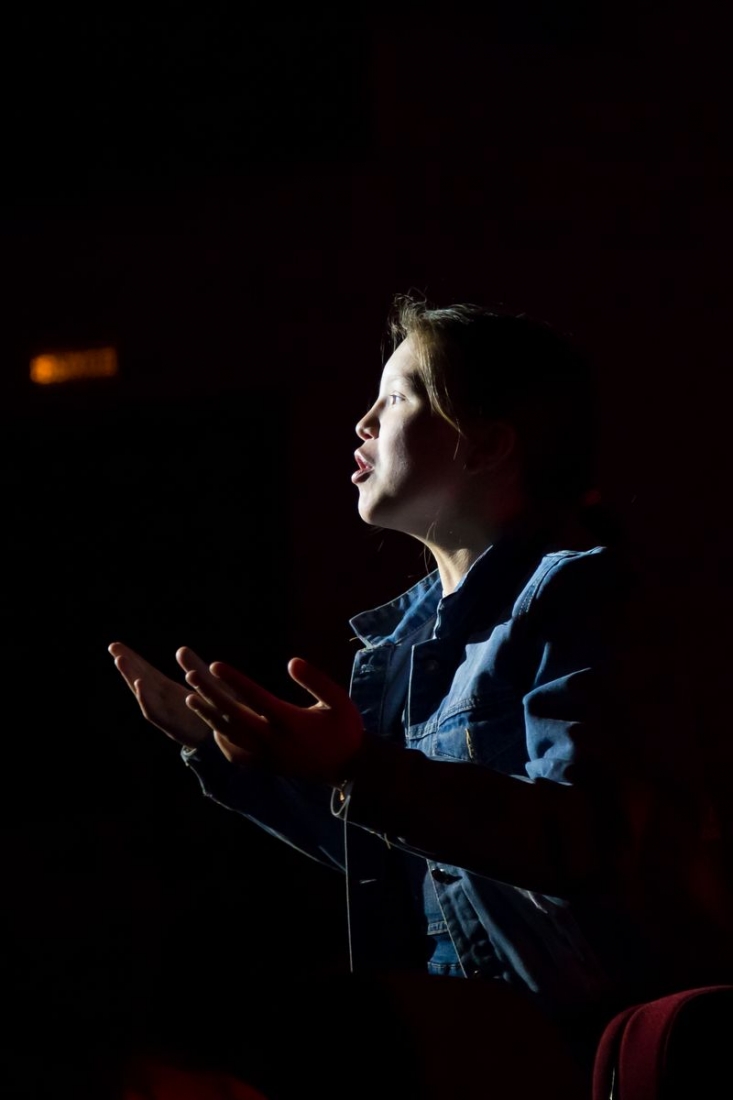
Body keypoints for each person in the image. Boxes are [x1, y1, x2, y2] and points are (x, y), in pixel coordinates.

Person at [109, 297, 729, 1099]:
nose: (362, 421)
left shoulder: (579, 595)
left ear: (488, 444)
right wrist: (226, 751)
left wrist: (358, 769)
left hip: (585, 1049)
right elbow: (401, 849)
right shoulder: (401, 647)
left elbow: (589, 838)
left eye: (396, 397)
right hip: (478, 1051)